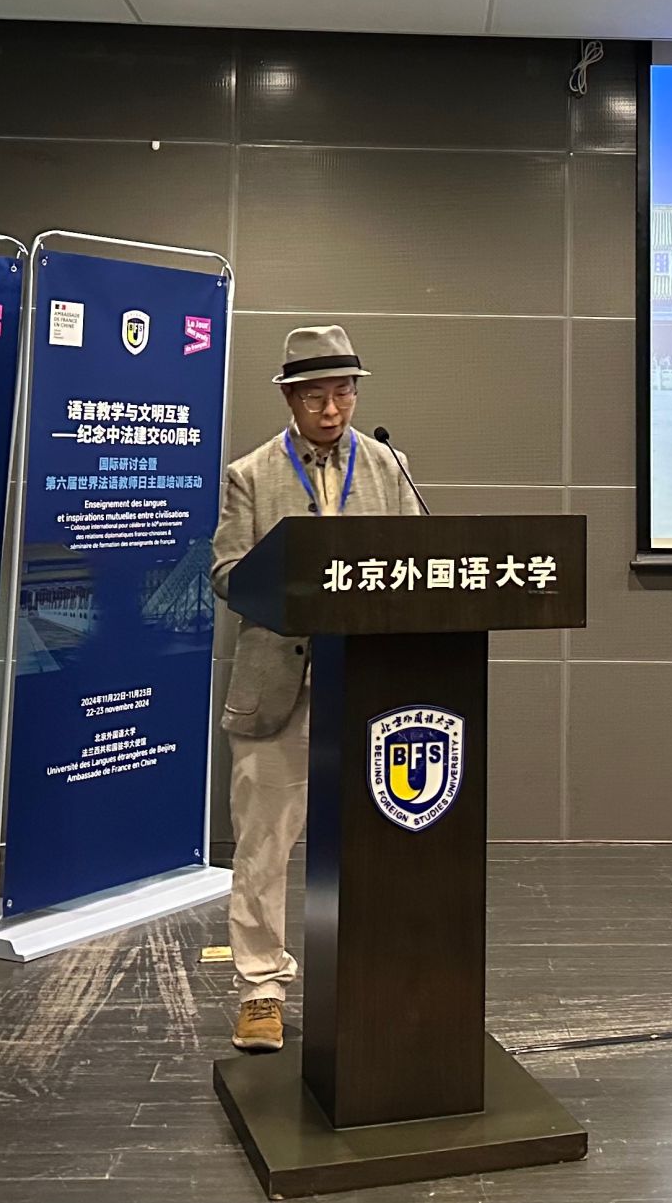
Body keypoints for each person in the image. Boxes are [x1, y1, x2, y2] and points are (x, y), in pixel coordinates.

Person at [210, 325, 420, 1053]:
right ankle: (260, 989)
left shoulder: (389, 465)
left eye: (343, 393)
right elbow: (226, 573)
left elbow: (419, 558)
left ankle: (374, 975)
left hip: (369, 684)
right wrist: (296, 576)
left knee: (379, 840)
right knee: (263, 845)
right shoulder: (250, 473)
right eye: (316, 397)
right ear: (290, 399)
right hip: (279, 685)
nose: (332, 410)